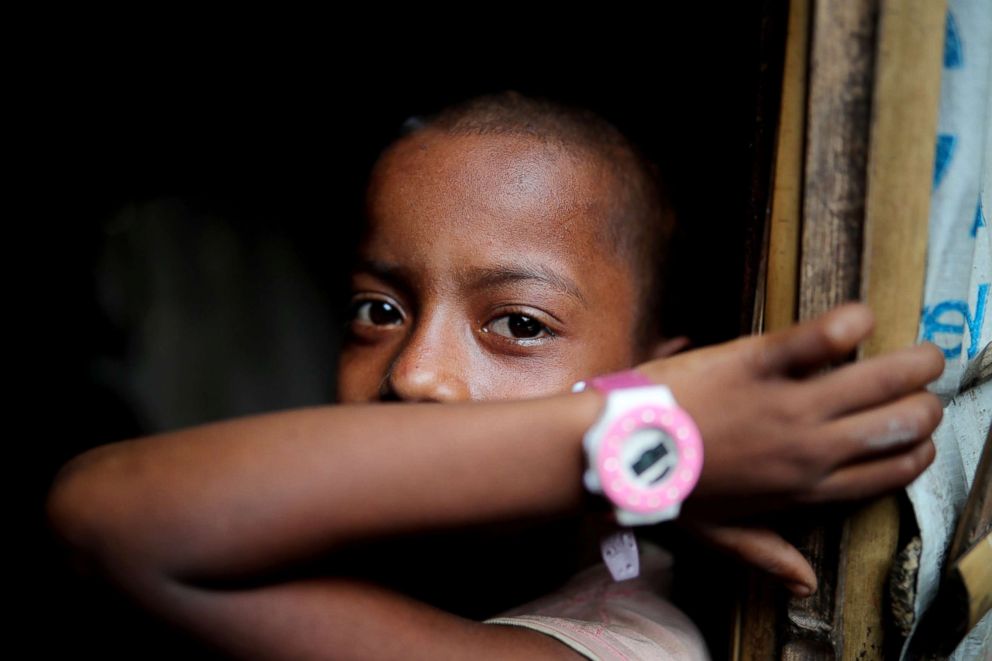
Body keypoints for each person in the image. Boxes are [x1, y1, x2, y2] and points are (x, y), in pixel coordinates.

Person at [45, 91, 945, 659]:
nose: (419, 374)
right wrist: (628, 456)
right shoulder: (340, 541)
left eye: (518, 324)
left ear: (665, 387)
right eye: (379, 310)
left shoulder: (622, 643)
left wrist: (617, 444)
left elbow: (105, 519)